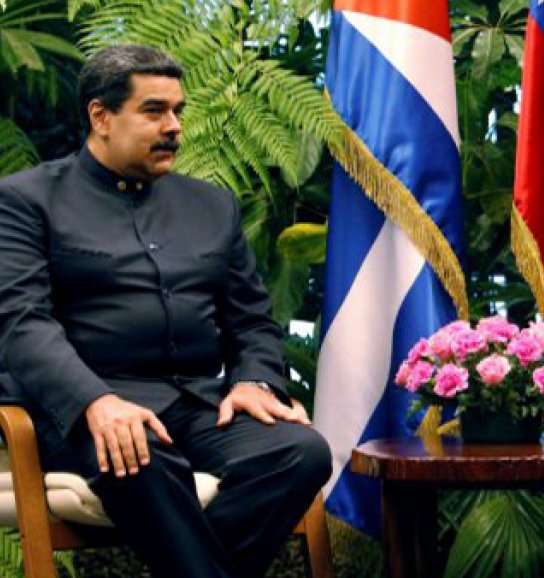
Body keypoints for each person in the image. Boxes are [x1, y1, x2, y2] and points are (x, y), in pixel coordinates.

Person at [0, 45, 331, 578]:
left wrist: (253, 380)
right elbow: (22, 323)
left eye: (178, 110)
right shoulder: (25, 200)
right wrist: (96, 401)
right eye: (154, 111)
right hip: (84, 413)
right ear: (101, 117)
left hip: (198, 407)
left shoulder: (212, 205)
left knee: (301, 452)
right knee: (137, 455)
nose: (174, 126)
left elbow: (251, 320)